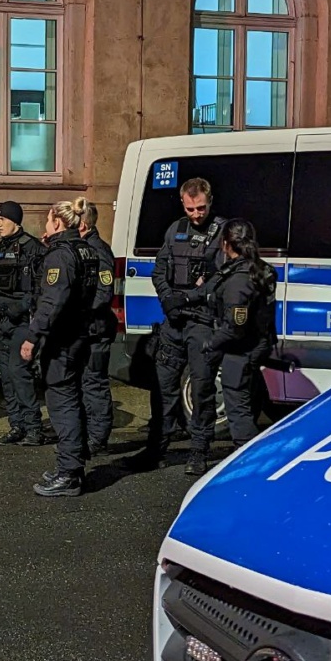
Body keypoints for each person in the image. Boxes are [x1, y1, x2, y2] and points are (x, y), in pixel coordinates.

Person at [130, 178, 226, 474]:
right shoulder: (175, 230)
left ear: (210, 202)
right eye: (191, 208)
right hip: (173, 322)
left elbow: (221, 277)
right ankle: (156, 448)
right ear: (182, 204)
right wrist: (168, 298)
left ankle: (198, 451)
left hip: (203, 323)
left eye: (201, 208)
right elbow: (160, 270)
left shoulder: (223, 232)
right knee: (163, 387)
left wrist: (188, 297)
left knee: (201, 389)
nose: (196, 214)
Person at [21, 198, 98, 498]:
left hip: (63, 339)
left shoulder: (61, 256)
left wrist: (32, 337)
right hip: (80, 335)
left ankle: (68, 475)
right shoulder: (84, 249)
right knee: (73, 399)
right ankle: (72, 467)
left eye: (48, 220)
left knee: (61, 402)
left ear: (57, 222)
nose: (44, 225)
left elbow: (52, 300)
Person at [198, 219, 277, 474]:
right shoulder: (259, 269)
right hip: (258, 343)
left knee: (238, 408)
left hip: (240, 349)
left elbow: (234, 325)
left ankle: (249, 464)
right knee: (248, 401)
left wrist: (211, 342)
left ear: (225, 244)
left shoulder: (239, 280)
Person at [0, 201, 47, 447]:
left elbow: (40, 288)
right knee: (7, 378)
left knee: (19, 373)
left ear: (15, 220)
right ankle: (17, 425)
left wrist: (20, 307)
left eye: (3, 219)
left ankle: (34, 427)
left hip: (22, 321)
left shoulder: (33, 248)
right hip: (0, 321)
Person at [79, 202, 117, 455]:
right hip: (85, 328)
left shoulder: (97, 251)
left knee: (94, 383)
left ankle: (98, 438)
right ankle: (88, 433)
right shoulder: (82, 248)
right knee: (83, 382)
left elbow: (104, 291)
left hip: (96, 327)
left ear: (82, 223)